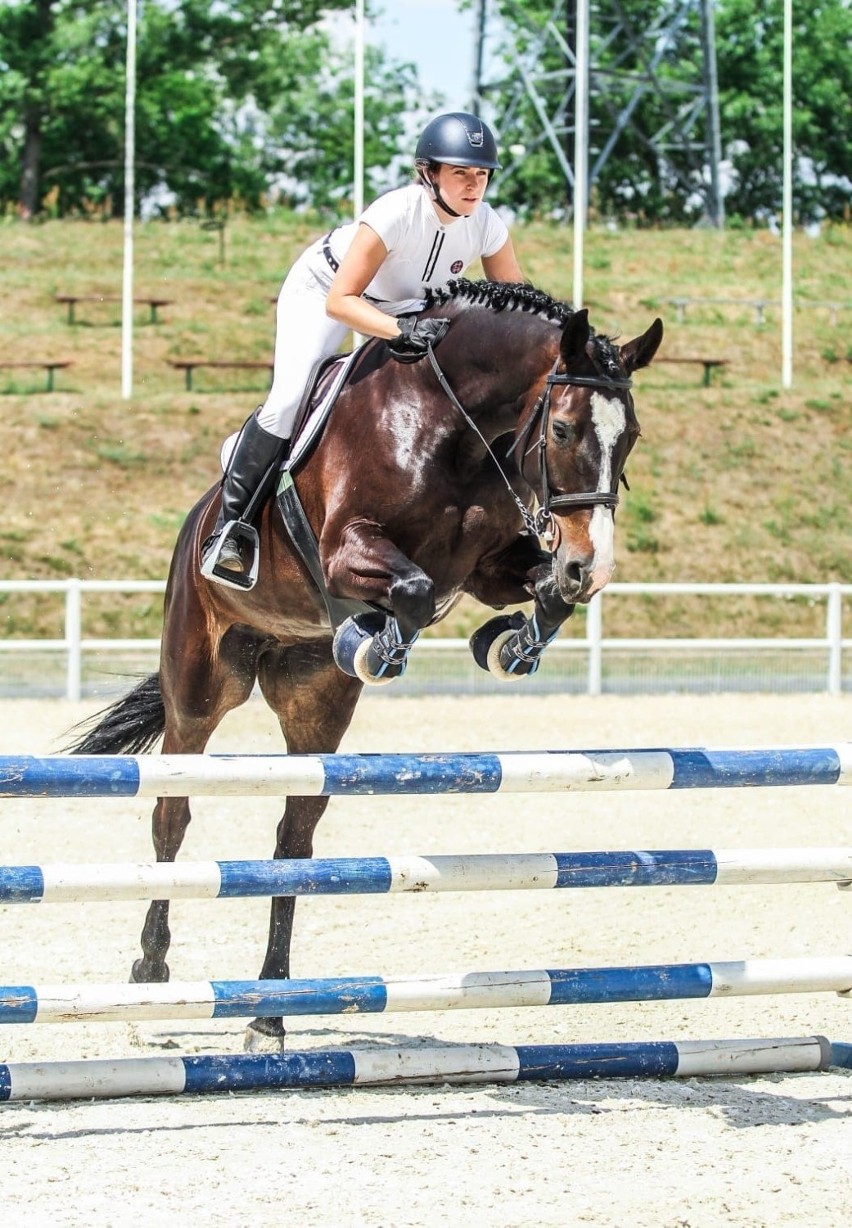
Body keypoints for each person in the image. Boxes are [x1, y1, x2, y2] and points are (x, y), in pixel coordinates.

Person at [201, 111, 525, 589]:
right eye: (460, 172)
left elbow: (515, 309)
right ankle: (234, 525)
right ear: (429, 173)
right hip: (326, 290)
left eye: (481, 174)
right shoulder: (395, 212)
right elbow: (341, 301)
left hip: (408, 306)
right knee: (290, 397)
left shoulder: (487, 224)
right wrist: (398, 331)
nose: (473, 185)